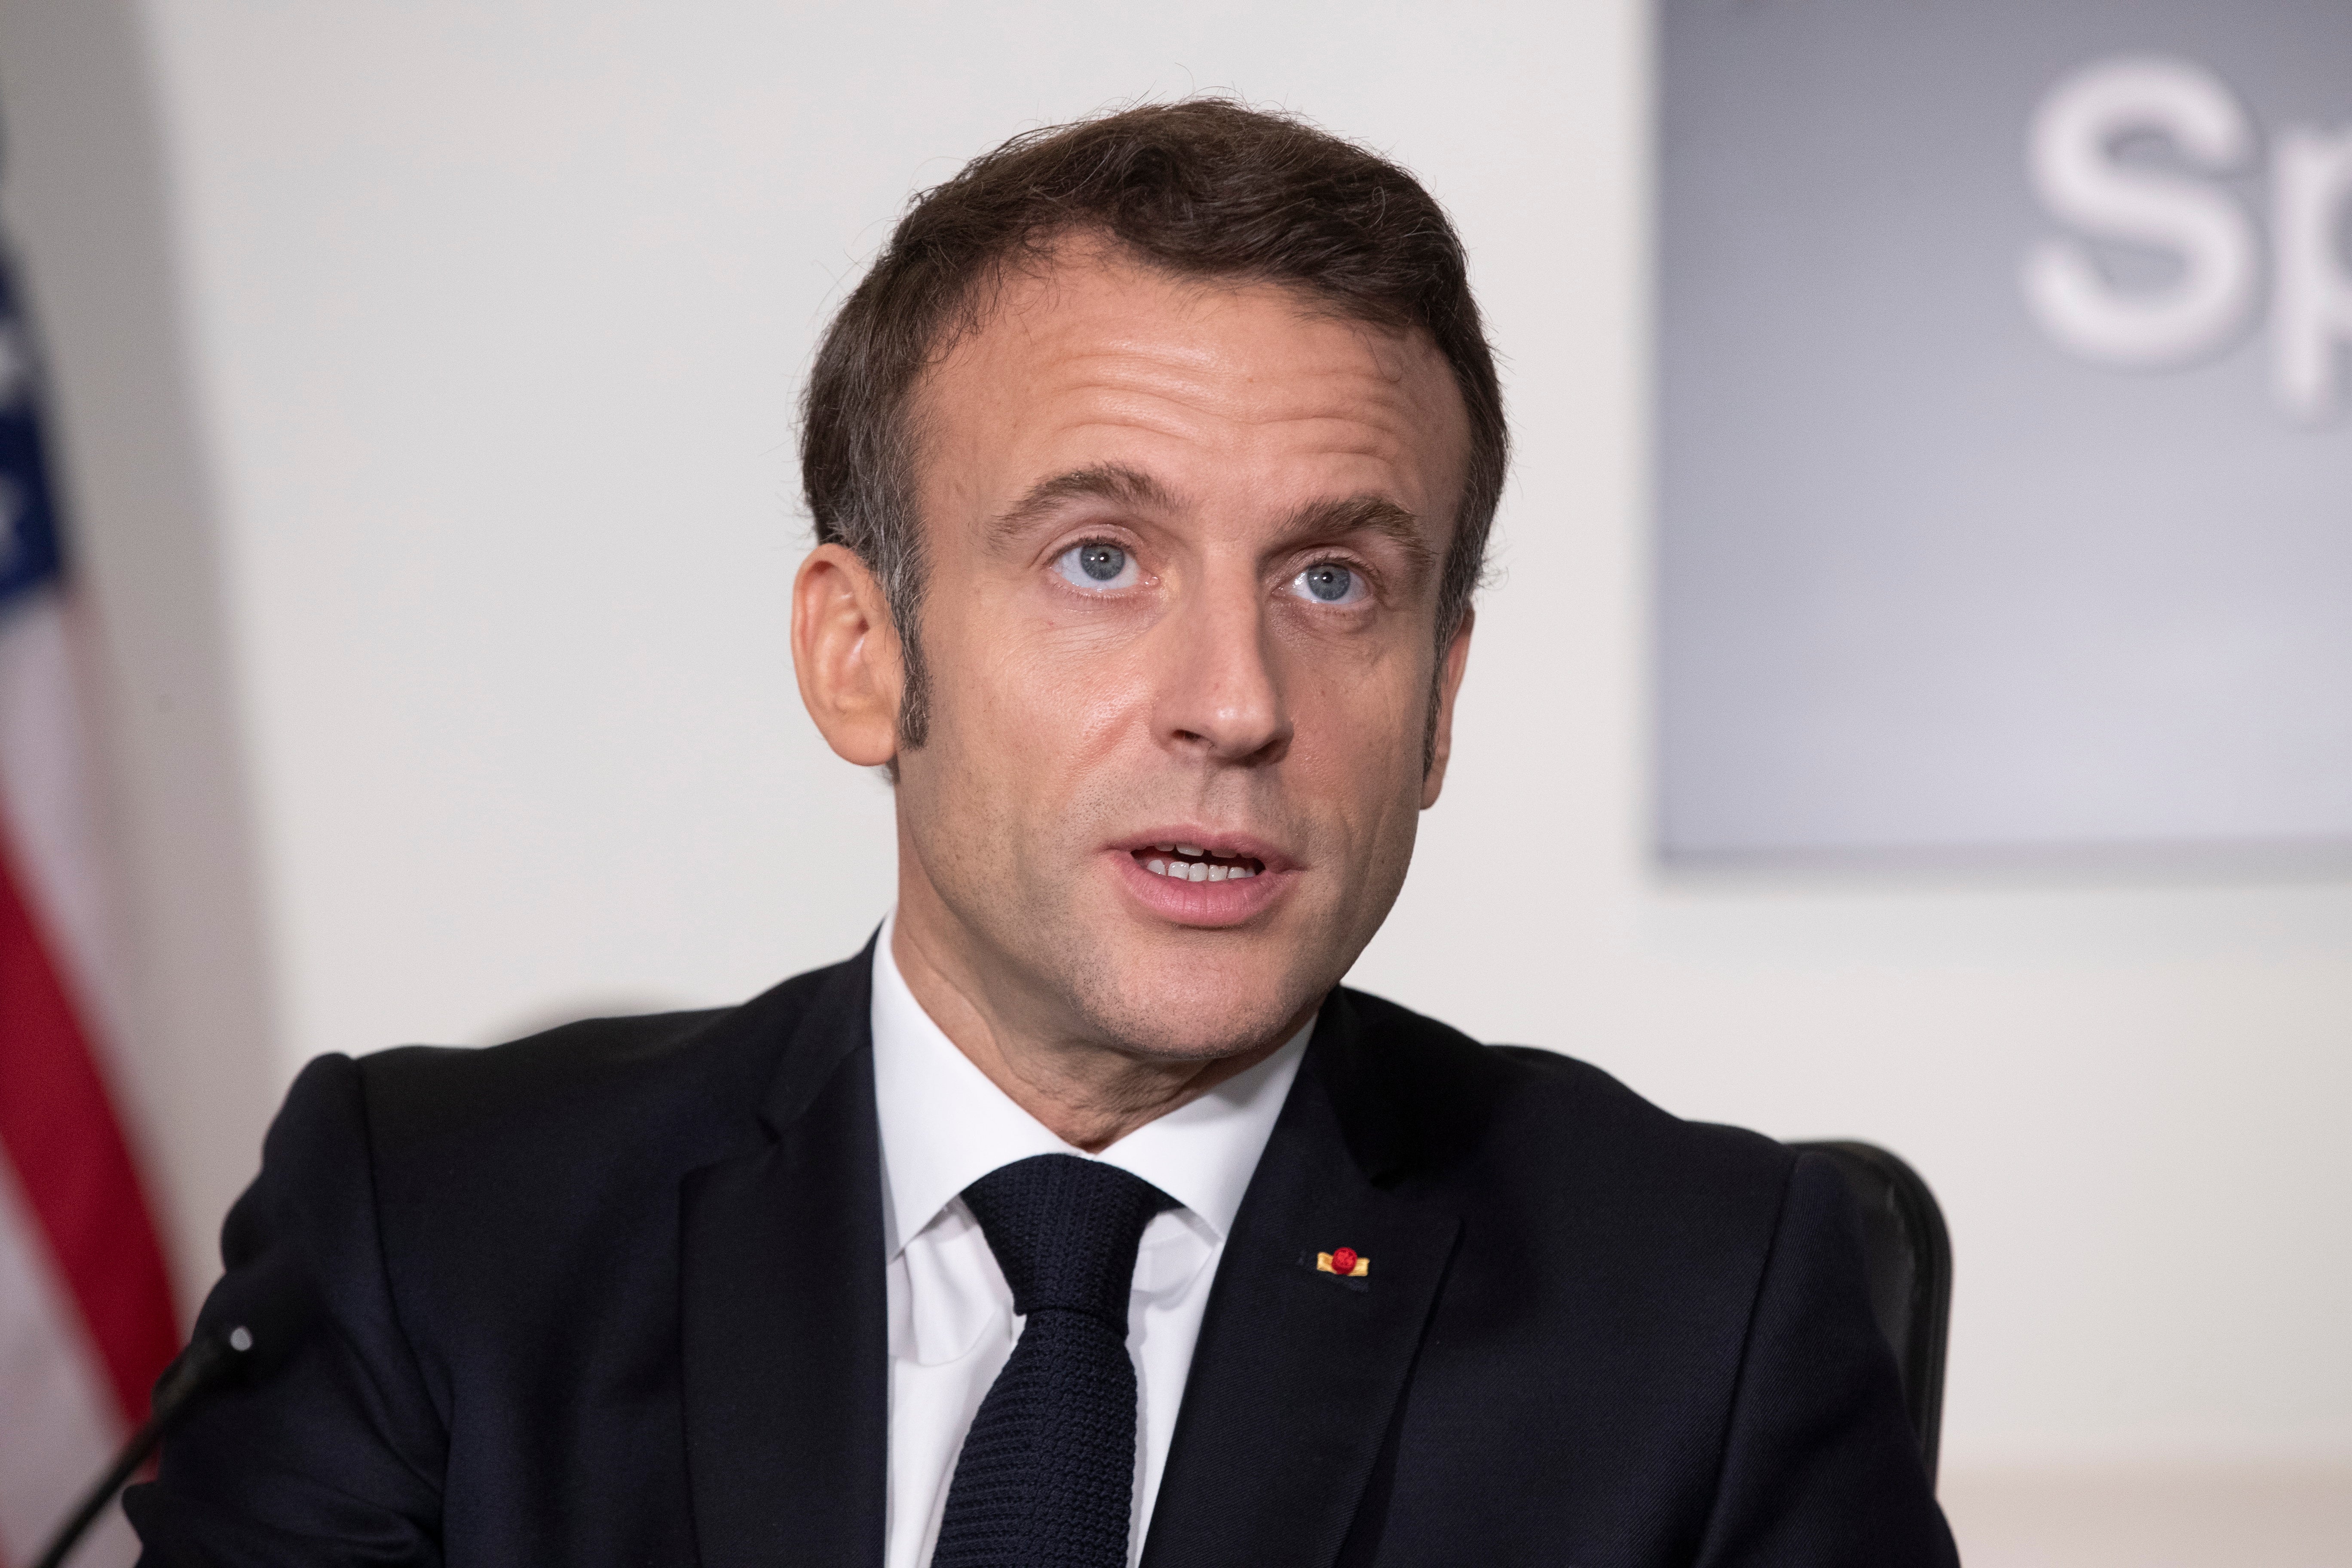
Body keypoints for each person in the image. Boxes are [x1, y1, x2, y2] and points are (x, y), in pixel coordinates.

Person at [126, 99, 1957, 1567]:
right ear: (863, 655)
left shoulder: (1703, 1308)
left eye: (1335, 579)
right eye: (1102, 559)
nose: (1234, 700)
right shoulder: (440, 1232)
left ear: (1441, 699)